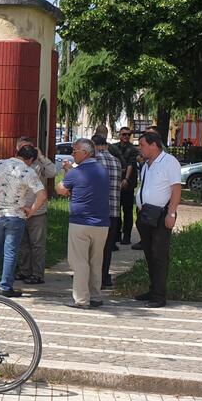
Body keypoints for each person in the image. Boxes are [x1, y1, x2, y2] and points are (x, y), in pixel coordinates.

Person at [0, 145, 47, 298]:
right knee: (10, 252)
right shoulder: (27, 171)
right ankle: (5, 286)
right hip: (16, 215)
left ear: (16, 153)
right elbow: (42, 195)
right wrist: (32, 210)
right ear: (31, 159)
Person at [56, 138, 111, 309]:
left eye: (75, 151)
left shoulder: (77, 172)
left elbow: (61, 189)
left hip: (80, 222)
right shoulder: (103, 170)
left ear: (85, 153)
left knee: (79, 262)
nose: (72, 154)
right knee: (96, 261)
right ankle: (95, 295)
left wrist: (67, 172)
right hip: (102, 223)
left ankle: (81, 299)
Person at [133, 130, 182, 307]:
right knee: (149, 254)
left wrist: (171, 213)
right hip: (146, 214)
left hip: (161, 215)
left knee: (159, 256)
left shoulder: (169, 162)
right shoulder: (147, 164)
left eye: (142, 145)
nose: (140, 148)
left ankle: (159, 296)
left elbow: (176, 189)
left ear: (154, 145)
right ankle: (153, 290)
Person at [15, 136, 56, 285]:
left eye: (30, 147)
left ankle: (37, 274)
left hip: (37, 210)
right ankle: (24, 271)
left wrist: (41, 157)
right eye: (23, 148)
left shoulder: (39, 164)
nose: (27, 150)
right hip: (20, 210)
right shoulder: (15, 163)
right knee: (23, 244)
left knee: (37, 244)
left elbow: (53, 172)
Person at [92, 134, 123, 288]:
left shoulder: (95, 161)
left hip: (98, 210)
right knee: (107, 248)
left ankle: (94, 278)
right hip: (114, 210)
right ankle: (104, 277)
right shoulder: (116, 161)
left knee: (95, 248)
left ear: (94, 146)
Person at [112, 126, 139, 245]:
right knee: (116, 211)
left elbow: (131, 164)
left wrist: (126, 179)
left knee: (127, 211)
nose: (126, 136)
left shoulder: (133, 149)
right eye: (124, 134)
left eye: (128, 134)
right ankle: (116, 234)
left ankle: (127, 236)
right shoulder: (114, 147)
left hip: (129, 184)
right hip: (116, 183)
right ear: (120, 135)